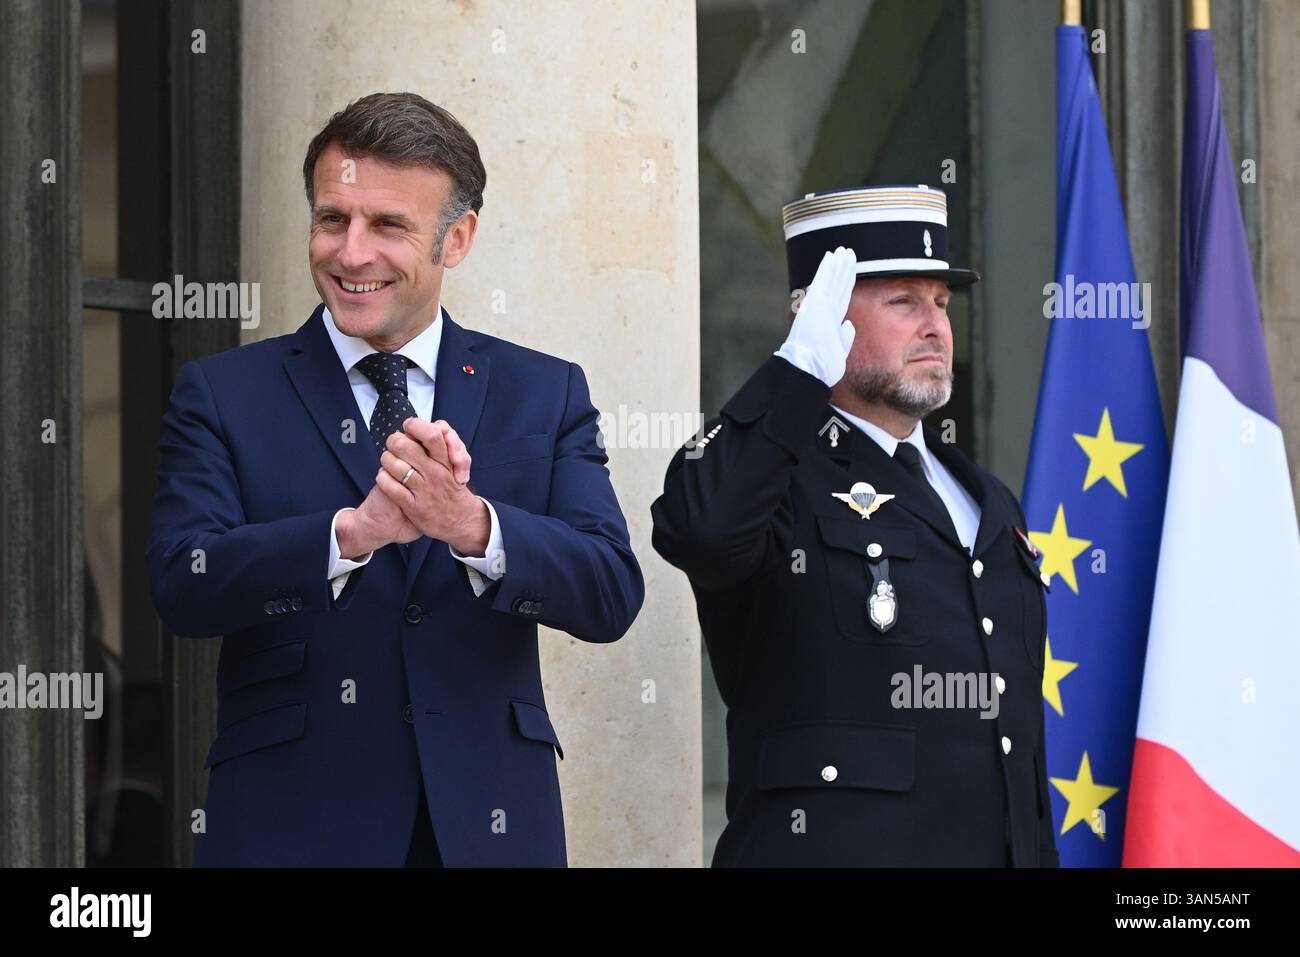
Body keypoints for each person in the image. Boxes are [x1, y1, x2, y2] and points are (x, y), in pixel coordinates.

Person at [148, 92, 644, 866]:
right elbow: (183, 581)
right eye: (331, 218)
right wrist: (350, 536)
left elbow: (610, 590)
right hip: (291, 826)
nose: (350, 253)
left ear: (458, 238)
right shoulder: (223, 392)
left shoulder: (544, 391)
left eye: (387, 225)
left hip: (490, 826)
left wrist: (476, 527)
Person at [651, 185, 1058, 866]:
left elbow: (1018, 754)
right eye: (904, 302)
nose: (935, 325)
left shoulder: (985, 497)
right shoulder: (777, 476)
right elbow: (699, 527)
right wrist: (794, 374)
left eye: (942, 302)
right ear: (824, 319)